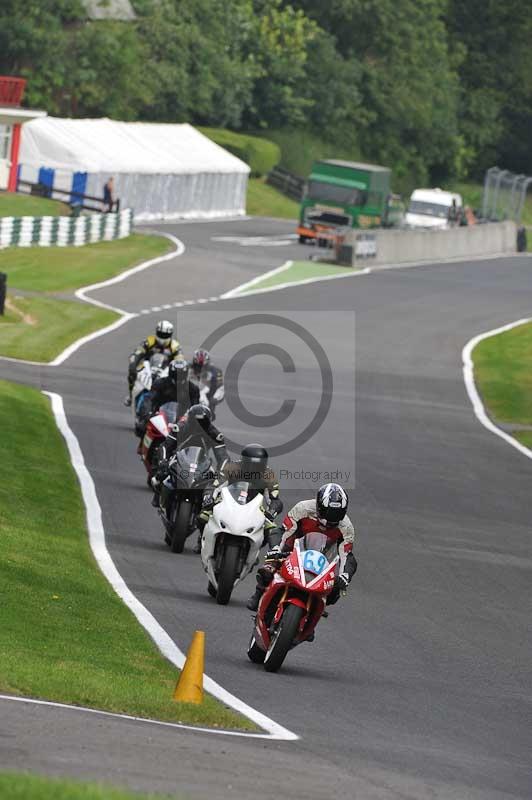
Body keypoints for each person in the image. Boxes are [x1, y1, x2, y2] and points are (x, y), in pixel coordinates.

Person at [246, 483, 357, 612]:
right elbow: (283, 531)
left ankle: (313, 615)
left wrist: (345, 575)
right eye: (327, 514)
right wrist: (276, 549)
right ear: (319, 505)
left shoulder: (346, 527)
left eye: (336, 516)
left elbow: (347, 554)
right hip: (293, 551)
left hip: (323, 560)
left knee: (335, 591)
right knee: (269, 568)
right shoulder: (303, 509)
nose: (329, 521)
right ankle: (259, 593)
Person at [194, 443, 283, 554]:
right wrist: (209, 497)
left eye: (257, 466)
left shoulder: (268, 475)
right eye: (250, 465)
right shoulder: (232, 468)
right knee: (203, 516)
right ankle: (202, 540)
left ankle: (270, 555)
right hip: (228, 502)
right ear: (243, 462)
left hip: (254, 507)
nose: (253, 470)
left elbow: (274, 499)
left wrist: (271, 511)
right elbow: (215, 486)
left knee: (271, 528)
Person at [150, 403, 227, 510]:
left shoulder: (215, 434)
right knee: (162, 470)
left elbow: (223, 457)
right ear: (190, 419)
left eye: (203, 422)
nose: (199, 425)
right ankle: (158, 491)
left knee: (216, 483)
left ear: (208, 421)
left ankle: (205, 509)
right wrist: (163, 461)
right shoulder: (180, 428)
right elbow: (165, 446)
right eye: (196, 422)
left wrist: (222, 471)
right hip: (180, 456)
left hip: (202, 460)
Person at [124, 320, 182, 406]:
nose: (162, 337)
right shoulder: (149, 341)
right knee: (132, 371)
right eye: (161, 334)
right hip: (148, 367)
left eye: (165, 335)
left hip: (166, 370)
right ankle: (130, 395)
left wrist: (179, 369)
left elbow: (180, 361)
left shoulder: (175, 346)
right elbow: (137, 352)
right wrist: (133, 361)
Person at [188, 349, 224, 419]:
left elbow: (220, 388)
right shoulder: (187, 367)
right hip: (189, 393)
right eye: (198, 366)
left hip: (206, 396)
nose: (200, 369)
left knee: (208, 414)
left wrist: (214, 399)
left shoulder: (215, 372)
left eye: (203, 366)